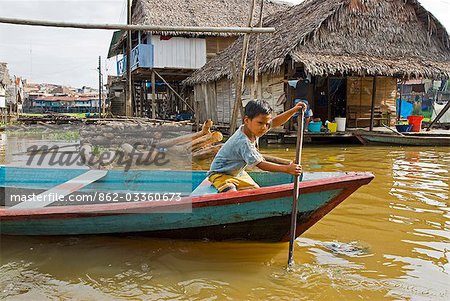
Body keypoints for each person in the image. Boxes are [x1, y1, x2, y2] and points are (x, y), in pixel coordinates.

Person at [207, 99, 306, 193]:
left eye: (266, 124)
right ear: (246, 120)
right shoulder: (243, 142)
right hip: (220, 174)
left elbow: (275, 122)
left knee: (255, 191)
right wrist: (287, 169)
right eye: (260, 123)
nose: (264, 128)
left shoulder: (253, 128)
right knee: (231, 194)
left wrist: (294, 110)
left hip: (237, 173)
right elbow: (261, 164)